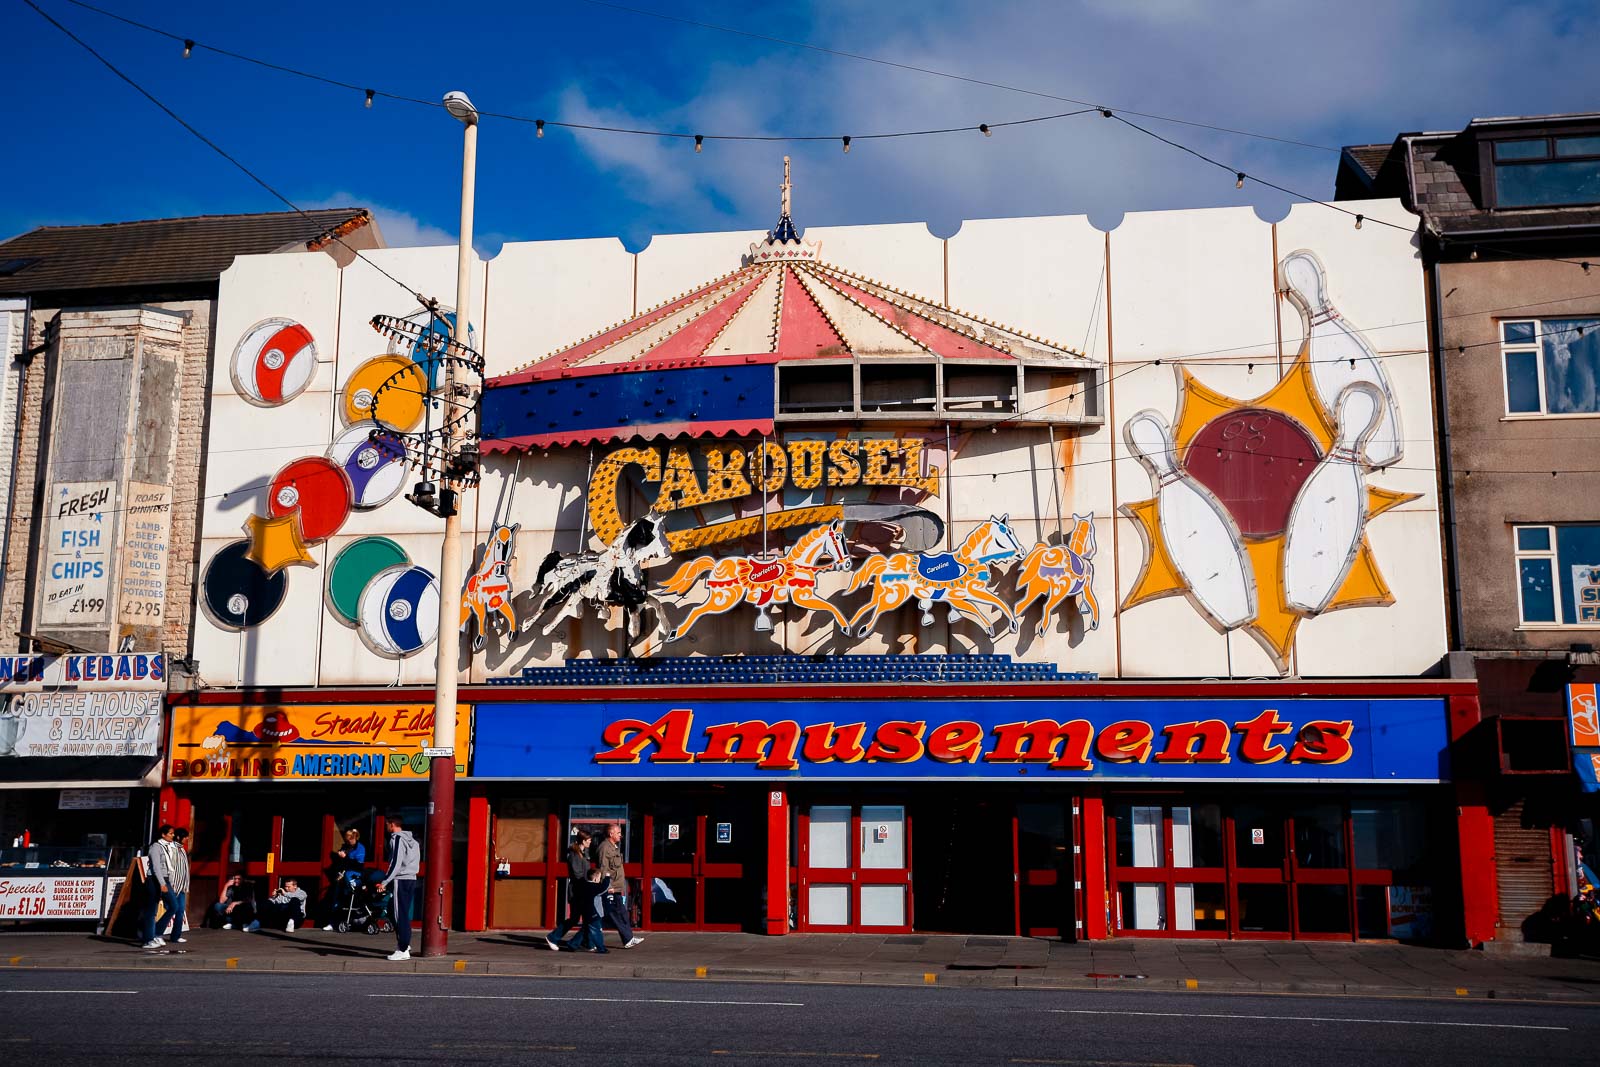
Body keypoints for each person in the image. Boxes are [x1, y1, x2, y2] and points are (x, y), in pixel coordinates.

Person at [596, 823, 643, 949]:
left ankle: (629, 938)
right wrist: (607, 886)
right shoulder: (605, 848)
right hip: (610, 888)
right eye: (618, 833)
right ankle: (627, 939)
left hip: (615, 888)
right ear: (611, 834)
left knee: (621, 913)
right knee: (615, 915)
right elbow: (603, 868)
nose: (620, 835)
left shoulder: (613, 847)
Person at [379, 814, 420, 961]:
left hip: (400, 880)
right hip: (410, 879)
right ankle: (405, 944)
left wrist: (384, 881)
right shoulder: (413, 841)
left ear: (392, 825)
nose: (386, 827)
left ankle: (402, 948)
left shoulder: (396, 839)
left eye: (387, 824)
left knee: (398, 914)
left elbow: (396, 862)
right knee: (394, 909)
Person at [544, 829, 592, 951]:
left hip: (582, 890)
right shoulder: (574, 855)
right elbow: (577, 874)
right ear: (583, 840)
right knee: (577, 918)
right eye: (589, 840)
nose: (591, 842)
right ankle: (554, 937)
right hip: (577, 891)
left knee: (583, 918)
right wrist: (589, 882)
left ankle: (585, 942)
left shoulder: (584, 853)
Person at [140, 824, 178, 949]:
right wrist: (162, 883)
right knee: (151, 911)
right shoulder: (155, 847)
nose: (173, 836)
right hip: (155, 880)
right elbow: (156, 867)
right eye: (170, 833)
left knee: (174, 906)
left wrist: (170, 883)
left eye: (173, 833)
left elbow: (170, 867)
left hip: (165, 879)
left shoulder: (168, 847)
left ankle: (157, 933)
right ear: (163, 834)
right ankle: (148, 939)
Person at [321, 827, 367, 930]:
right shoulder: (345, 847)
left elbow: (359, 866)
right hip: (342, 876)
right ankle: (332, 923)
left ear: (355, 837)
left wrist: (345, 858)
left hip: (353, 877)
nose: (348, 841)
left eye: (350, 839)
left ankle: (349, 921)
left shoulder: (360, 848)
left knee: (347, 898)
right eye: (347, 839)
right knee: (335, 898)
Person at [566, 866, 610, 953]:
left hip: (585, 912)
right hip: (592, 913)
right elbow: (604, 887)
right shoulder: (593, 886)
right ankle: (601, 948)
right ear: (595, 878)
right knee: (596, 930)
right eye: (599, 877)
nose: (599, 879)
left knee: (585, 930)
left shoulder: (583, 885)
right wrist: (607, 877)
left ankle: (572, 944)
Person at [160, 828, 192, 944]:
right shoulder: (172, 848)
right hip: (173, 885)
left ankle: (176, 935)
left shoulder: (182, 850)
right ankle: (157, 933)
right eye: (185, 836)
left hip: (181, 886)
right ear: (179, 837)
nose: (187, 839)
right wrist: (171, 884)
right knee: (171, 909)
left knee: (180, 911)